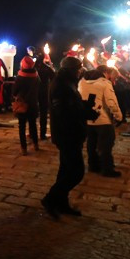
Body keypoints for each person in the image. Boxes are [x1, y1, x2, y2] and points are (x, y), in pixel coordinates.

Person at [42, 56, 97, 219]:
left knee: (65, 170)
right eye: (78, 68)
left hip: (72, 132)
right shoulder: (60, 85)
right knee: (76, 172)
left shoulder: (68, 82)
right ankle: (50, 199)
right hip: (67, 134)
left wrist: (84, 105)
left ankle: (61, 203)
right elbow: (63, 111)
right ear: (70, 69)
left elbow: (72, 104)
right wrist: (85, 112)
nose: (80, 71)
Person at [78, 65, 123, 177]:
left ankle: (93, 165)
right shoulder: (104, 83)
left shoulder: (82, 81)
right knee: (105, 145)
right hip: (103, 119)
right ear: (107, 73)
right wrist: (119, 116)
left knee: (91, 144)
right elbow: (111, 102)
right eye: (113, 78)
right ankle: (107, 169)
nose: (113, 80)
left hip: (88, 118)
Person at [12, 56, 40, 154]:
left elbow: (14, 91)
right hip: (33, 104)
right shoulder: (36, 76)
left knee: (22, 126)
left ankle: (24, 148)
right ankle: (36, 144)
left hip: (22, 104)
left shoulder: (20, 77)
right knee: (33, 125)